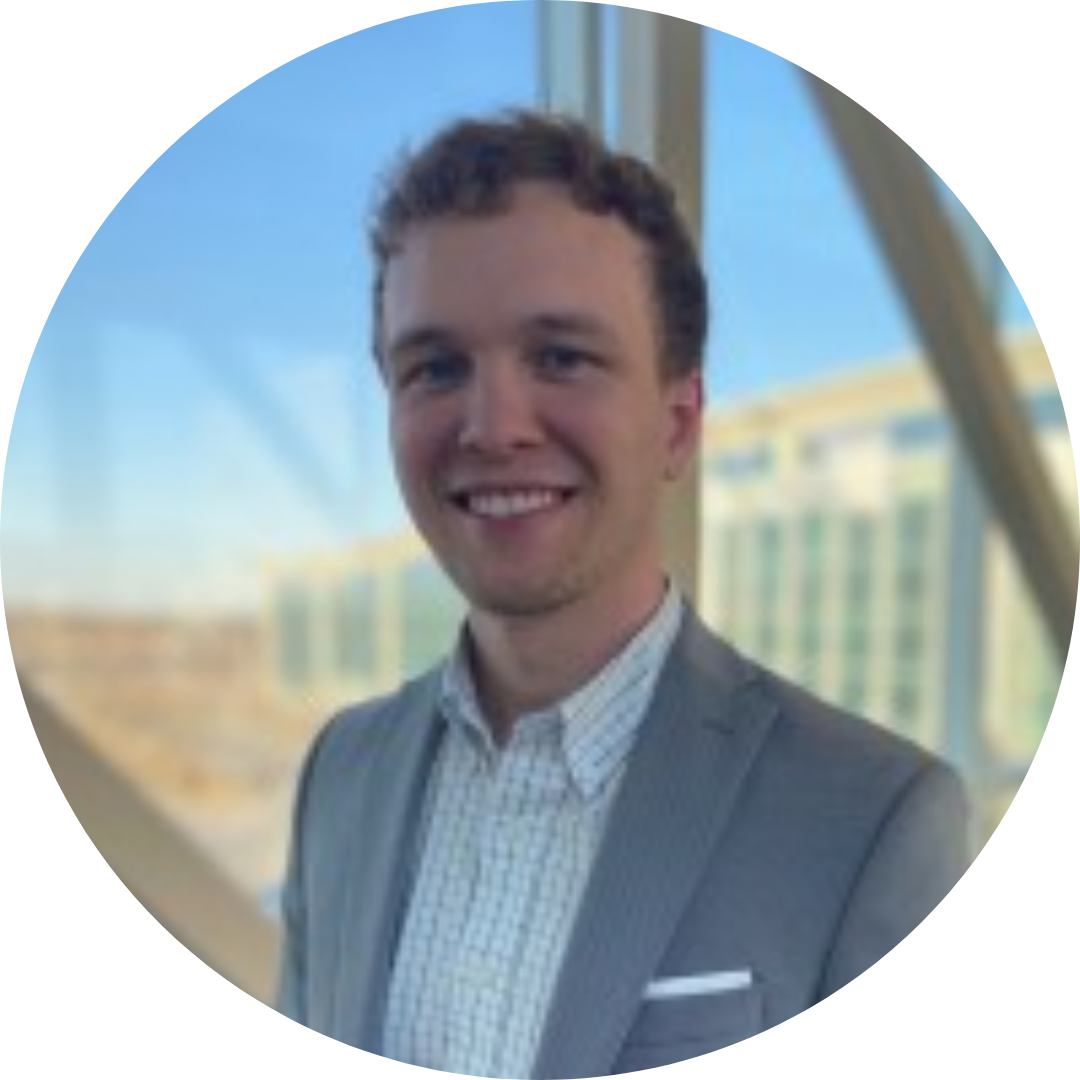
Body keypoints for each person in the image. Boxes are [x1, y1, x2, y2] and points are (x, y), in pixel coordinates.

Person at [274, 109, 969, 1080]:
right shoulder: (339, 776)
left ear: (678, 424)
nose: (493, 427)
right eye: (435, 367)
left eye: (561, 357)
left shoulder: (873, 824)